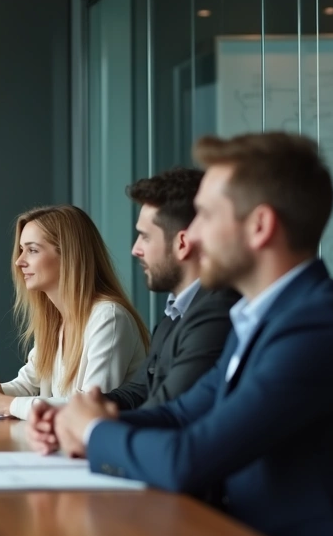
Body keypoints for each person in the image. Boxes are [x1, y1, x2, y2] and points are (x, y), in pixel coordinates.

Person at [47, 132, 333, 536]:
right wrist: (74, 423)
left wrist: (93, 431)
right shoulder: (261, 317)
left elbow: (189, 459)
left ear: (260, 226)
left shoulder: (316, 327)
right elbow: (181, 413)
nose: (193, 235)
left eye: (204, 215)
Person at [0, 205, 149, 420]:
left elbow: (91, 409)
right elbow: (26, 385)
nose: (19, 261)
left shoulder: (109, 318)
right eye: (22, 250)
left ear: (69, 255)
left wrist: (2, 403)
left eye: (32, 250)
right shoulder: (56, 320)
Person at [102, 168, 238, 411]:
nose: (135, 249)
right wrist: (88, 405)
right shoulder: (174, 315)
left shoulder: (218, 312)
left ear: (182, 243)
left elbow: (166, 411)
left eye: (145, 237)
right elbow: (141, 390)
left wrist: (88, 424)